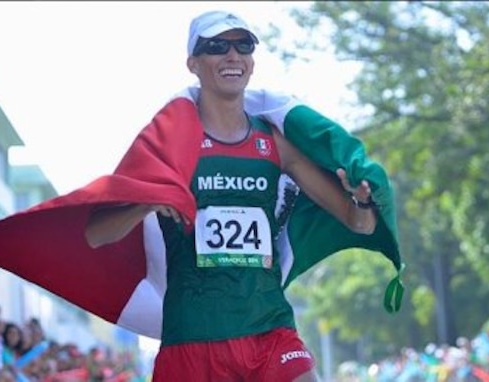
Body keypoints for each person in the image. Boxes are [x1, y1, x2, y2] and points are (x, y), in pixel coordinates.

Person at [83, 10, 381, 381]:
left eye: (243, 45)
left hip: (269, 328)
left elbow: (360, 223)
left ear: (252, 62)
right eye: (216, 46)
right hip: (193, 337)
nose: (232, 55)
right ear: (193, 63)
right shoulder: (168, 144)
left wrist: (361, 198)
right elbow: (97, 233)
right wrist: (147, 202)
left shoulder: (275, 144)